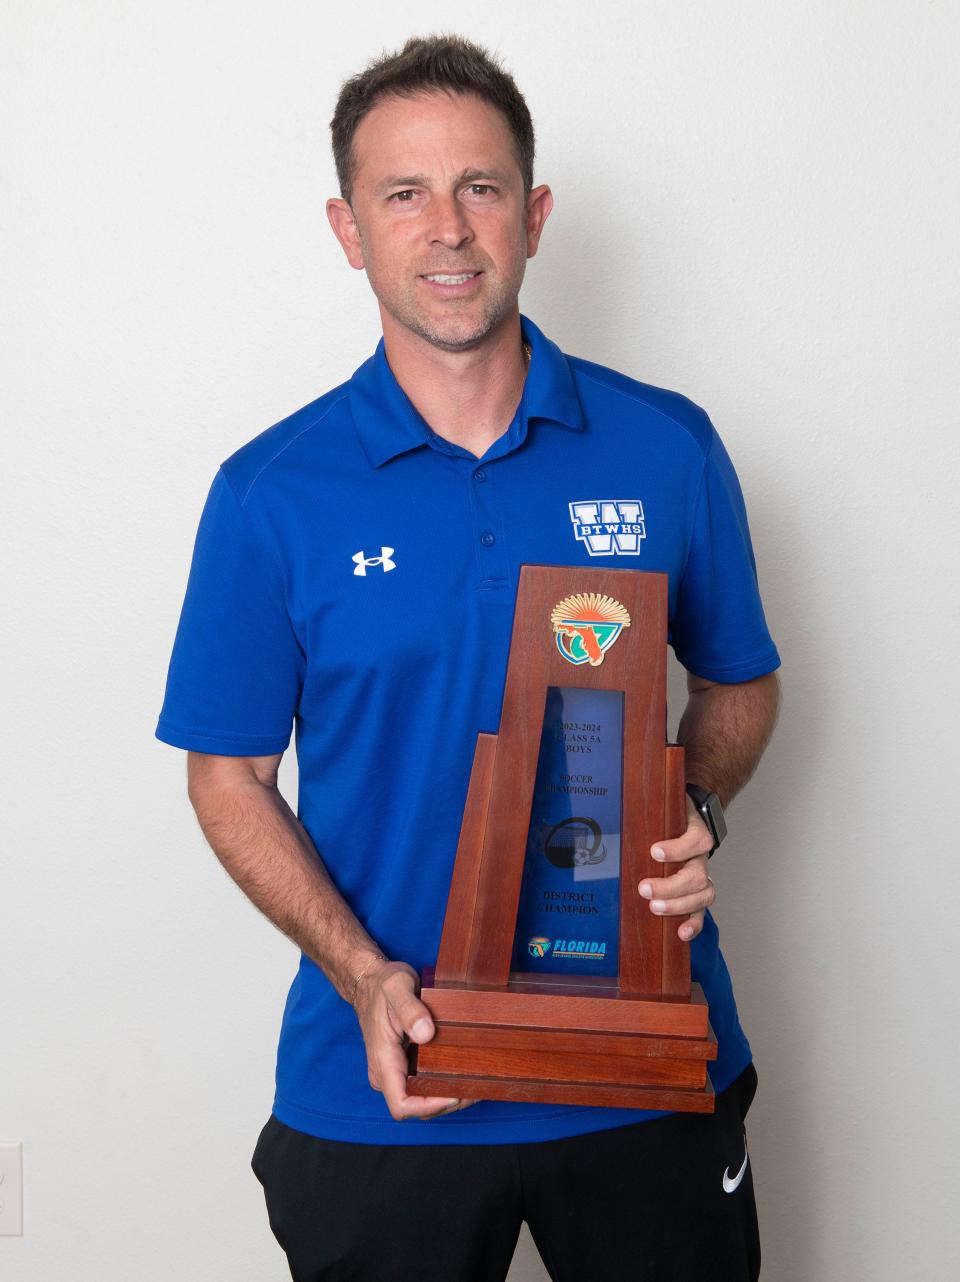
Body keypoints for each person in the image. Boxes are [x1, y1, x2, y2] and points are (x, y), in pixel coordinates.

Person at [156, 33, 781, 1282]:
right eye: (405, 194)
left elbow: (742, 681)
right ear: (348, 228)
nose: (449, 228)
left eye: (481, 187)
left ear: (535, 214)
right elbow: (226, 774)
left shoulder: (667, 447)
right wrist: (361, 971)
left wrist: (694, 804)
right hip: (387, 1076)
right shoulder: (270, 492)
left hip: (645, 1069)